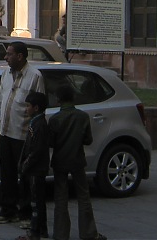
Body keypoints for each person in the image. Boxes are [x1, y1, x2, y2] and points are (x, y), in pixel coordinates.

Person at [0, 41, 45, 225]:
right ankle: (8, 210)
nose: (6, 57)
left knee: (24, 175)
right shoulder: (5, 74)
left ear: (20, 56)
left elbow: (39, 107)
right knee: (6, 173)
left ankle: (25, 213)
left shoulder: (35, 76)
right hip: (6, 132)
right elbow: (0, 100)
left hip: (23, 134)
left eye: (9, 54)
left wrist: (34, 133)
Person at [49, 83, 106, 240]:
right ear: (73, 98)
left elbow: (51, 142)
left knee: (60, 197)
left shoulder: (54, 119)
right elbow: (88, 140)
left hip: (60, 160)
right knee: (83, 195)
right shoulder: (82, 117)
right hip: (77, 160)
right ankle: (88, 232)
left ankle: (61, 234)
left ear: (58, 99)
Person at [17, 91, 51, 240]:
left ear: (36, 108)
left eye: (28, 106)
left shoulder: (40, 125)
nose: (26, 109)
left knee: (36, 202)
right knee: (37, 200)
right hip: (35, 168)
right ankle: (41, 229)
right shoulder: (35, 122)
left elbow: (36, 150)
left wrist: (25, 165)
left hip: (36, 169)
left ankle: (35, 231)